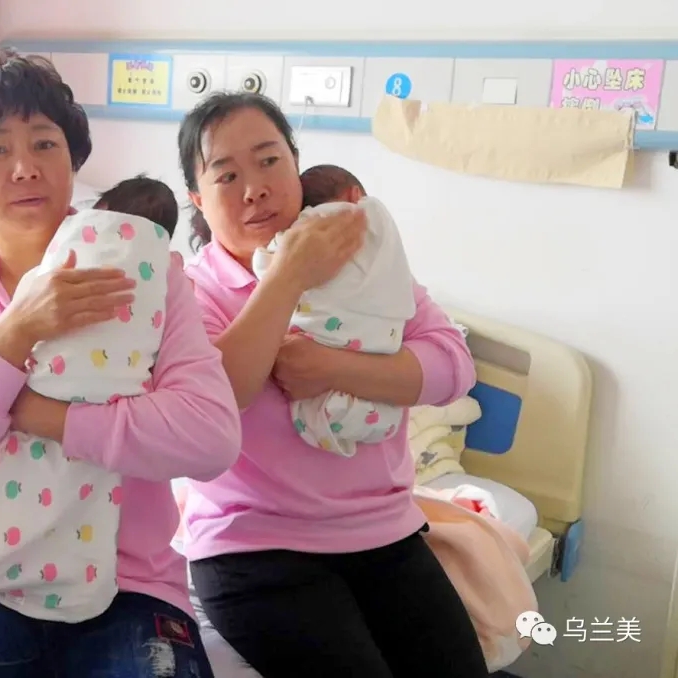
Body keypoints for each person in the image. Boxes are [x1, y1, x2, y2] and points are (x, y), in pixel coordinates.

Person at [0, 52, 241, 677]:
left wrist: (38, 413)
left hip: (128, 585)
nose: (26, 167)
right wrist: (14, 333)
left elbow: (211, 438)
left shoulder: (149, 279)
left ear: (72, 159)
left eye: (44, 143)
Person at [176, 91, 490, 677]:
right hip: (256, 549)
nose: (255, 188)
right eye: (227, 175)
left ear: (295, 164)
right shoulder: (193, 291)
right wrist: (289, 274)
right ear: (198, 197)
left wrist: (330, 368)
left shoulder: (359, 254)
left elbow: (454, 367)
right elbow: (218, 399)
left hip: (385, 534)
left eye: (269, 161)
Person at [251, 165, 416, 457]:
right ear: (355, 194)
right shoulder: (377, 229)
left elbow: (267, 266)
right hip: (380, 342)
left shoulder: (299, 236)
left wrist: (332, 368)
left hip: (327, 348)